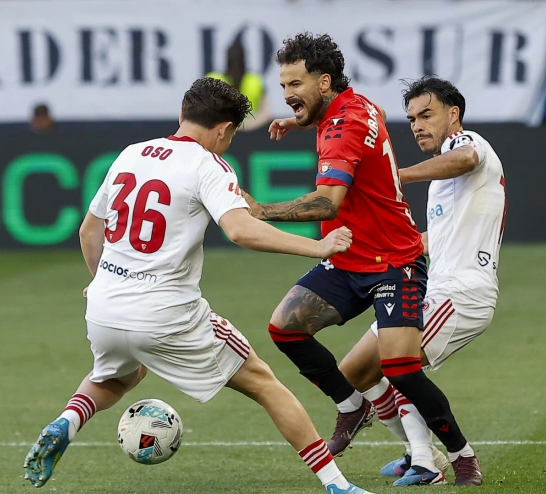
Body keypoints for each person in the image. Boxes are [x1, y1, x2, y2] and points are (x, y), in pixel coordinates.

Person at [22, 77, 372, 494]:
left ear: (183, 115)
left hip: (104, 308)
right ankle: (336, 485)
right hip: (166, 313)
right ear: (224, 129)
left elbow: (88, 231)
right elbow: (242, 230)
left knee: (119, 376)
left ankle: (66, 421)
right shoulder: (209, 165)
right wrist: (317, 247)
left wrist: (102, 279)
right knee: (264, 383)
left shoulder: (131, 154)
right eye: (231, 135)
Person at [244, 33, 468, 466]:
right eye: (284, 85)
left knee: (400, 368)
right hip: (348, 259)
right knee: (284, 328)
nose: (287, 95)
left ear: (324, 82)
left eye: (295, 85)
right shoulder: (358, 104)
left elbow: (328, 201)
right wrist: (302, 120)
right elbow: (377, 116)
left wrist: (261, 211)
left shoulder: (343, 126)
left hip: (393, 261)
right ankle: (353, 406)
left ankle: (460, 455)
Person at [337, 76, 506, 486]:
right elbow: (432, 240)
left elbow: (466, 158)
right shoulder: (447, 184)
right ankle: (418, 452)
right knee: (356, 370)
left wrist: (399, 175)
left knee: (397, 363)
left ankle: (448, 459)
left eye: (427, 115)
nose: (417, 125)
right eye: (411, 118)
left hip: (462, 292)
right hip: (442, 287)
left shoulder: (467, 143)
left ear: (454, 114)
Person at [207, 35, 273, 131]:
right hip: (249, 135)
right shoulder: (255, 80)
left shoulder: (213, 79)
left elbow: (204, 112)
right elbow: (267, 113)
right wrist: (244, 125)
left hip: (221, 133)